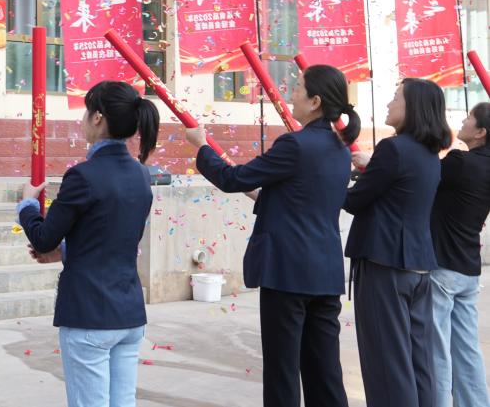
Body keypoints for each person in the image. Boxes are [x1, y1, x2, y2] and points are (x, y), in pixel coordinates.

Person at [185, 65, 357, 407]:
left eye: (298, 87)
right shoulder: (340, 149)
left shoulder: (295, 144)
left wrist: (202, 146)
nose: (292, 93)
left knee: (282, 372)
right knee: (325, 372)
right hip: (324, 272)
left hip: (287, 271)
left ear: (315, 101)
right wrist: (261, 195)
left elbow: (233, 178)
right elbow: (301, 199)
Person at [19, 80, 157, 407]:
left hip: (90, 314)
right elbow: (116, 237)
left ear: (97, 117)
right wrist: (66, 251)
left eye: (86, 113)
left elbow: (43, 237)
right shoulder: (141, 175)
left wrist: (27, 205)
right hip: (128, 313)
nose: (83, 120)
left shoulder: (83, 175)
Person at [344, 78, 451, 407]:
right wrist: (370, 168)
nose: (389, 104)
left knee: (387, 366)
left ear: (413, 107)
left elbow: (355, 201)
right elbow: (394, 187)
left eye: (395, 98)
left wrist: (324, 178)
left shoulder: (393, 148)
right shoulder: (429, 154)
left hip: (384, 265)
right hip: (418, 266)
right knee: (419, 363)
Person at [430, 102, 490, 407]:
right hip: (468, 269)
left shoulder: (459, 163)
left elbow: (423, 177)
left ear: (480, 132)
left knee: (436, 351)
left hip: (443, 267)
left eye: (469, 119)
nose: (463, 122)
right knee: (467, 351)